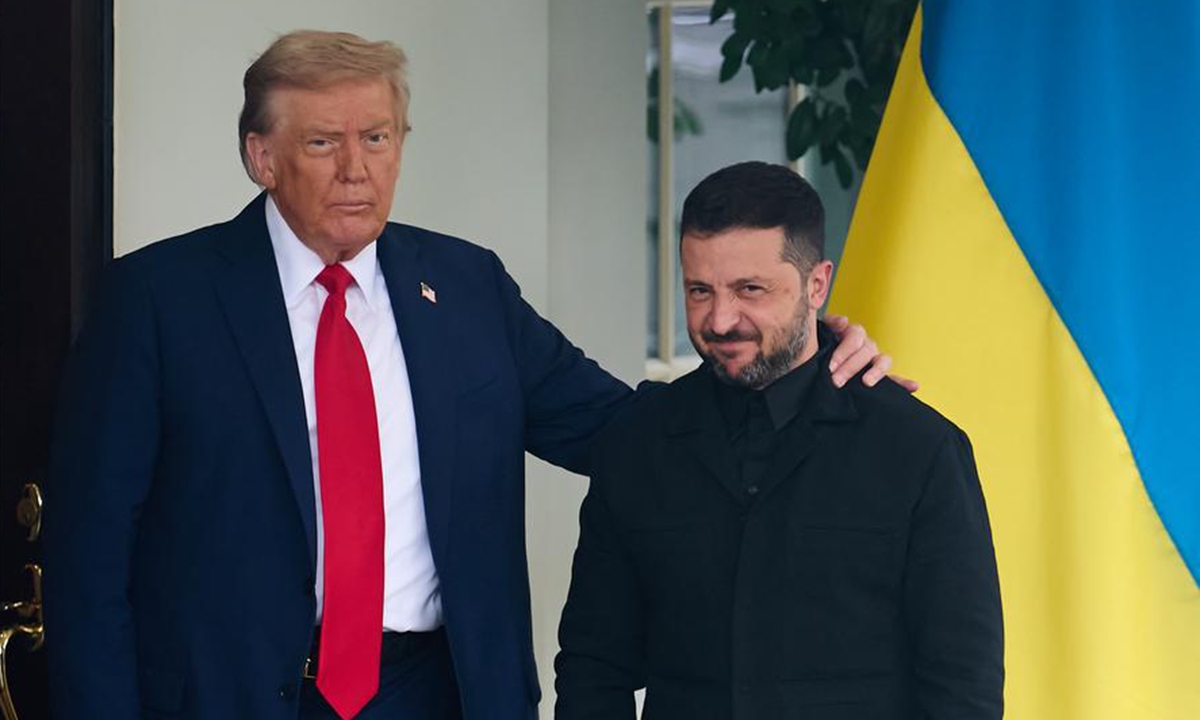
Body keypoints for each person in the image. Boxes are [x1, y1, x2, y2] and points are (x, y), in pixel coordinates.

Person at [42, 33, 896, 720]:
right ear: (262, 157)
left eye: (377, 138)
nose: (356, 168)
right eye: (322, 142)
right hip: (230, 697)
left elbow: (630, 431)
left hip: (436, 691)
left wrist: (799, 357)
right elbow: (89, 563)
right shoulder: (159, 300)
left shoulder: (467, 288)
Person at [555, 162, 1004, 720]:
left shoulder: (920, 451)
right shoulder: (636, 443)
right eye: (699, 290)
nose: (720, 319)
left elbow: (963, 687)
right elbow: (594, 666)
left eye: (750, 290)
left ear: (817, 285)